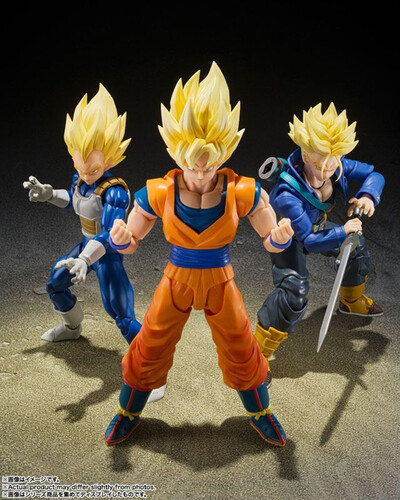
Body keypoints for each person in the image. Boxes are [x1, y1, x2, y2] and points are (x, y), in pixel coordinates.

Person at [104, 62, 293, 447]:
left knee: (240, 343)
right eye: (192, 156)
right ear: (175, 147)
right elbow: (132, 241)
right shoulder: (158, 191)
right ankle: (127, 411)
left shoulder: (243, 190)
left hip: (220, 278)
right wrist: (121, 238)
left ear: (226, 147)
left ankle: (261, 412)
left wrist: (280, 238)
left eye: (211, 156)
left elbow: (269, 239)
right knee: (151, 342)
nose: (202, 167)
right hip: (177, 277)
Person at [255, 103, 385, 360]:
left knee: (355, 246)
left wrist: (368, 196)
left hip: (317, 227)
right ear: (305, 156)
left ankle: (351, 300)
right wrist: (343, 230)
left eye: (331, 166)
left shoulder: (335, 163)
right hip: (289, 239)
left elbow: (374, 174)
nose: (326, 172)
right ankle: (257, 352)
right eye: (319, 166)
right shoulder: (286, 194)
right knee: (294, 293)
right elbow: (309, 242)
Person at [23, 84, 141, 345]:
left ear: (109, 161)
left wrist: (86, 260)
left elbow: (109, 234)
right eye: (80, 167)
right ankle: (72, 327)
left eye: (93, 170)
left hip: (106, 255)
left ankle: (151, 362)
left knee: (121, 314)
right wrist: (50, 194)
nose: (86, 175)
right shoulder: (81, 180)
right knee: (55, 284)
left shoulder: (115, 193)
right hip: (84, 247)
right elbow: (77, 202)